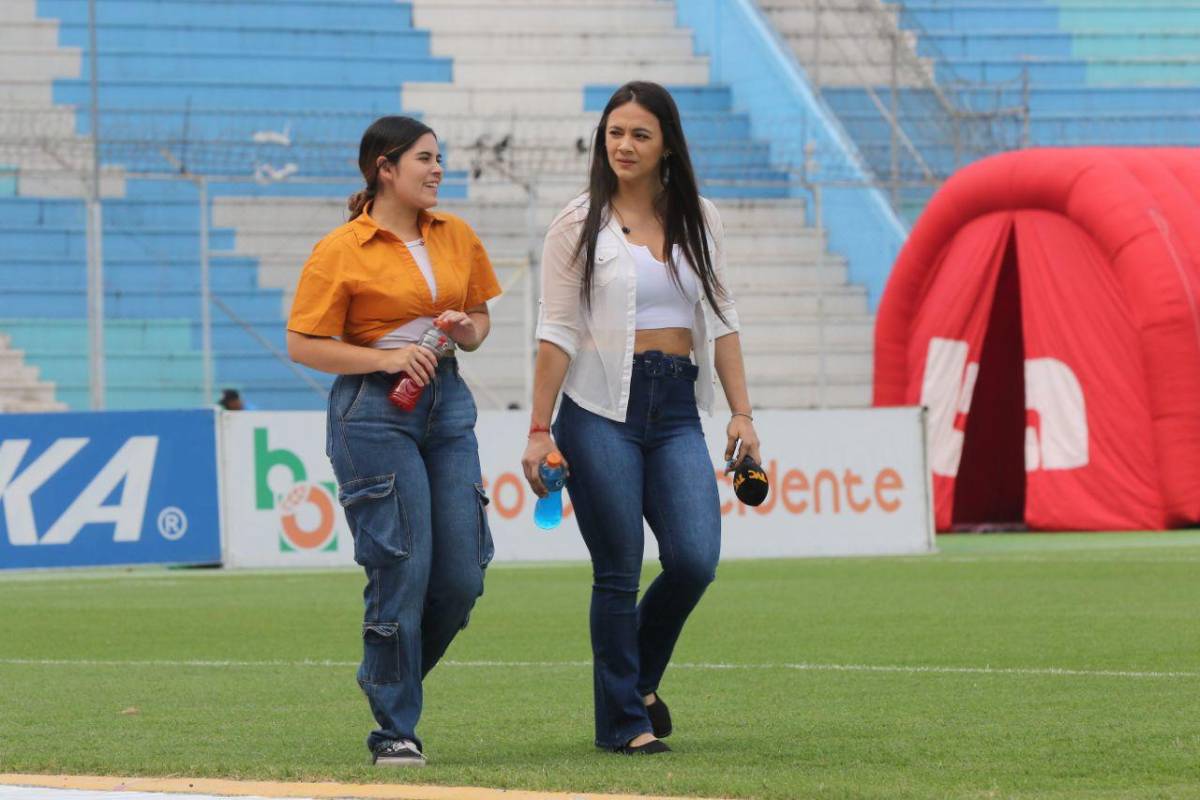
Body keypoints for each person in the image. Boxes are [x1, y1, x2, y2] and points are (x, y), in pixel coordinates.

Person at [521, 81, 762, 755]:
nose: (624, 145)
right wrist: (539, 430)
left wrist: (742, 413)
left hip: (679, 405)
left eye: (640, 135)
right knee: (619, 570)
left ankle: (638, 687)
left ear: (666, 147)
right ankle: (624, 722)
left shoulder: (699, 218)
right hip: (600, 410)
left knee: (693, 560)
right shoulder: (577, 223)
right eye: (615, 132)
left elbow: (723, 320)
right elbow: (556, 331)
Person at [286, 115, 502, 767]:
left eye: (440, 159)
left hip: (448, 401)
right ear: (386, 168)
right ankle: (394, 725)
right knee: (402, 566)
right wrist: (383, 360)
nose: (439, 170)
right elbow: (303, 343)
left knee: (461, 576)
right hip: (372, 410)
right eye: (425, 159)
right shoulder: (341, 248)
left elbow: (483, 320)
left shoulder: (457, 235)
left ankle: (389, 676)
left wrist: (466, 328)